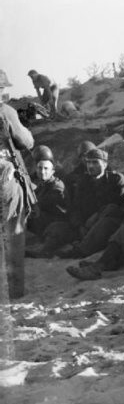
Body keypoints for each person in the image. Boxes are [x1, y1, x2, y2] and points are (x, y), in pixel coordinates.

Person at [45, 148, 124, 259]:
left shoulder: (116, 180)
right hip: (85, 226)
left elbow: (119, 208)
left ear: (104, 164)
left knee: (106, 222)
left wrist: (97, 217)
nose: (90, 166)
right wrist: (80, 226)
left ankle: (80, 251)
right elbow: (75, 207)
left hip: (108, 225)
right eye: (88, 162)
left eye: (95, 162)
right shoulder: (83, 181)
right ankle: (46, 250)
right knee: (57, 227)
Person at [0, 69, 35, 299]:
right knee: (13, 234)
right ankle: (14, 292)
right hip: (5, 177)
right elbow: (26, 141)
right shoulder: (5, 111)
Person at [26, 146, 67, 239]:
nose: (42, 172)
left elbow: (43, 203)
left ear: (52, 171)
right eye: (39, 168)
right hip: (42, 218)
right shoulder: (42, 182)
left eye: (46, 168)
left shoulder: (57, 186)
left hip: (53, 222)